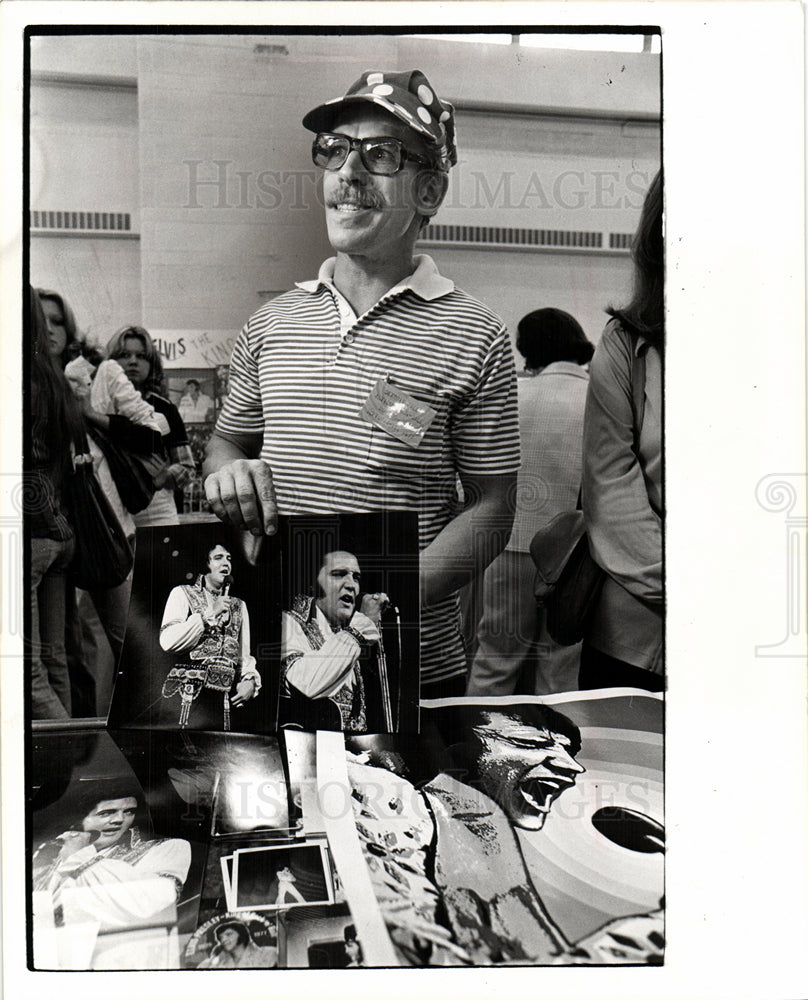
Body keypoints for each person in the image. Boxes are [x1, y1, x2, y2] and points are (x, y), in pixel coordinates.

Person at [203, 69, 519, 697]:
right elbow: (227, 442)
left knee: (404, 799)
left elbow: (492, 506)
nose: (348, 173)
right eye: (336, 150)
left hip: (410, 664)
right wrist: (229, 470)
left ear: (428, 190)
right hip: (285, 654)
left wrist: (394, 596)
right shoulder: (273, 324)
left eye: (379, 155)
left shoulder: (474, 335)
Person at [346, 704, 586, 965]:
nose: (573, 767)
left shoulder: (484, 821)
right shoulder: (387, 794)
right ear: (454, 747)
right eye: (529, 742)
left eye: (569, 751)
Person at [467, 309, 594, 697]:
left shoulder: (512, 396)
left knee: (495, 662)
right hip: (578, 557)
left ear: (526, 349)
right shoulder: (600, 400)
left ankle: (479, 749)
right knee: (561, 671)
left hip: (511, 546)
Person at [580, 171, 664, 691]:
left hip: (536, 542)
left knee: (502, 651)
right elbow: (610, 490)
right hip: (635, 619)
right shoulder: (625, 345)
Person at [28, 287, 84, 718]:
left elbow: (27, 462)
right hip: (58, 535)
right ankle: (70, 764)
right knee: (55, 660)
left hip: (36, 534)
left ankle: (62, 768)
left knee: (32, 677)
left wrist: (47, 519)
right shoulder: (53, 377)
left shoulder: (23, 378)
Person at [32, 784, 191, 933]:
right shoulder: (50, 852)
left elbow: (144, 903)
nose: (119, 820)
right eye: (106, 813)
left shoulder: (164, 849)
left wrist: (77, 858)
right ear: (78, 819)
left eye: (129, 811)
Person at [280, 550, 390, 733]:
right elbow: (307, 683)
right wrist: (361, 624)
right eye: (339, 574)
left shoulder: (345, 637)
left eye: (356, 578)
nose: (351, 586)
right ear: (313, 582)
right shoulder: (288, 622)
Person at [159, 543, 261, 729]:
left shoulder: (239, 606)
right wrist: (208, 615)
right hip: (189, 696)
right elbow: (167, 641)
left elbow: (243, 656)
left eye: (229, 558)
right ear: (205, 563)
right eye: (218, 558)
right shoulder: (182, 593)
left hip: (224, 700)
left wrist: (249, 681)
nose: (226, 563)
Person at [107, 325, 196, 525]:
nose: (132, 361)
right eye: (124, 354)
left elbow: (188, 468)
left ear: (151, 363)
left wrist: (165, 476)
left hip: (157, 514)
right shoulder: (101, 406)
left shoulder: (164, 408)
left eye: (141, 356)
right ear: (111, 361)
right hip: (112, 513)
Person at [198, 920, 278, 969]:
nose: (223, 940)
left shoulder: (270, 953)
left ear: (241, 934)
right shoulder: (218, 961)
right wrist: (213, 959)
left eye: (229, 934)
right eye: (221, 937)